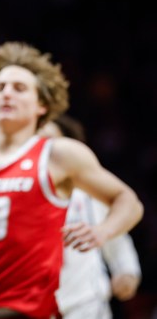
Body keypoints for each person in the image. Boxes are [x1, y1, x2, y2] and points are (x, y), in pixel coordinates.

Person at [0, 41, 143, 319]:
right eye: (0, 87)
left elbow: (129, 202)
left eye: (19, 88)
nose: (6, 94)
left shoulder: (58, 154)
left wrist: (103, 232)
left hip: (33, 311)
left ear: (42, 105)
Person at [39, 115, 141, 319]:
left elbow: (116, 232)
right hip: (32, 303)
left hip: (85, 303)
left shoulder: (87, 193)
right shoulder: (16, 188)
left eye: (51, 142)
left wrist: (126, 270)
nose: (45, 149)